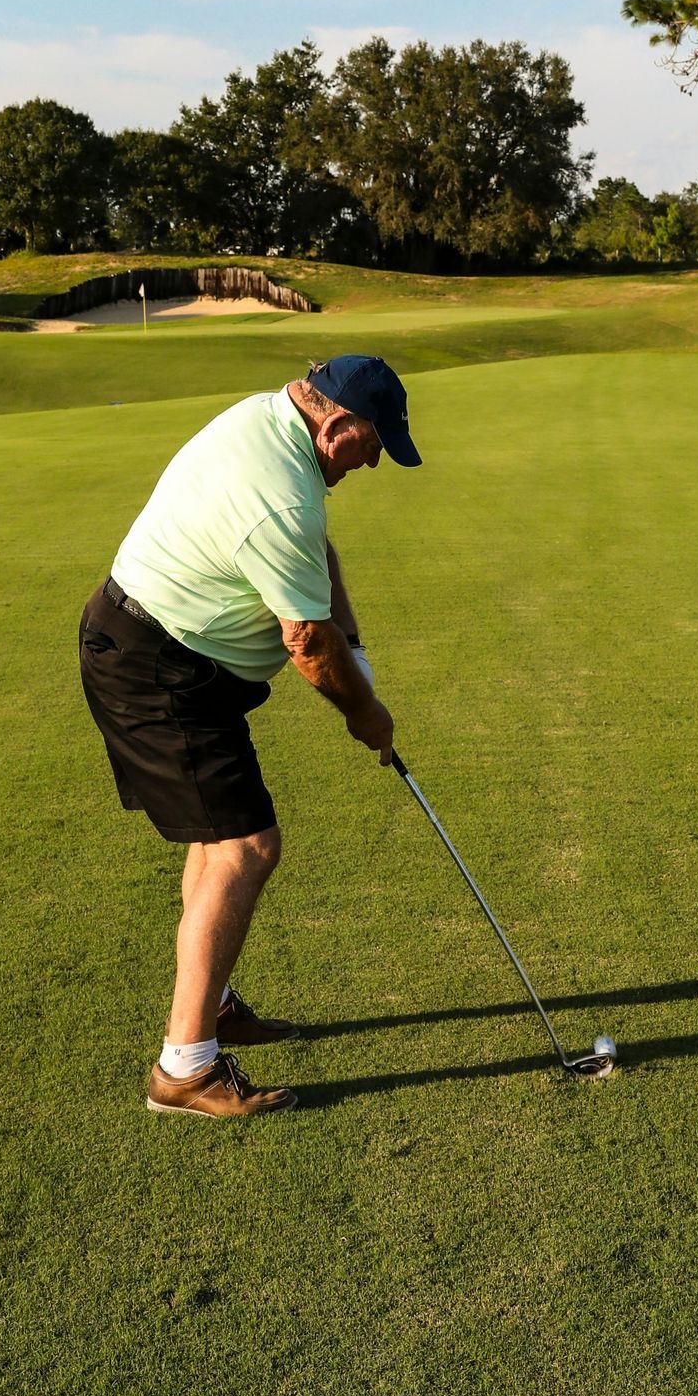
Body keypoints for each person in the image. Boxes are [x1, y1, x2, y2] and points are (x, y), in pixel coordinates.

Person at [78, 352, 419, 1119]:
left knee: (218, 837)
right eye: (372, 449)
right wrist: (367, 714)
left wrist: (356, 647)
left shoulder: (269, 422)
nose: (369, 465)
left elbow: (318, 563)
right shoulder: (282, 493)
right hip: (155, 666)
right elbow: (305, 643)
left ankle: (214, 1004)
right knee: (245, 847)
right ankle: (184, 1069)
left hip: (164, 655)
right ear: (338, 425)